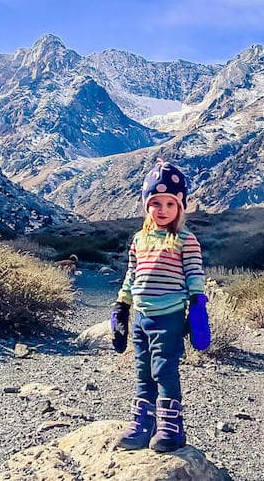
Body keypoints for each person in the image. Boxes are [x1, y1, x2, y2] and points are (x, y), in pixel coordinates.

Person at [109, 160, 211, 452]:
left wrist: (198, 306)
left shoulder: (185, 239)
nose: (163, 209)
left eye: (170, 203)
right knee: (142, 369)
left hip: (169, 315)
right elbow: (132, 274)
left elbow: (194, 274)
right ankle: (143, 421)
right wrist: (122, 306)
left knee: (164, 368)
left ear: (181, 206)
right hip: (141, 315)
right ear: (146, 205)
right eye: (156, 202)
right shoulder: (139, 239)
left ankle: (171, 426)